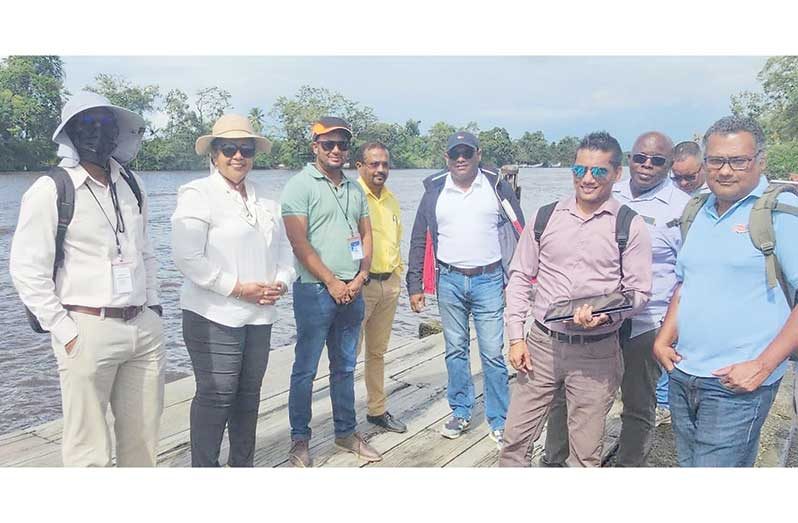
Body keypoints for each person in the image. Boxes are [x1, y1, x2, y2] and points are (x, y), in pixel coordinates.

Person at [9, 92, 164, 467]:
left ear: (118, 133)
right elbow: (26, 268)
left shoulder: (131, 183)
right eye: (86, 125)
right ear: (71, 134)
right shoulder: (51, 189)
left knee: (144, 442)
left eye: (105, 125)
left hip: (141, 327)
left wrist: (155, 309)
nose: (96, 134)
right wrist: (65, 330)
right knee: (87, 450)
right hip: (86, 326)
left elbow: (145, 251)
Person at [499, 131, 652, 467]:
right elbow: (520, 276)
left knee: (584, 455)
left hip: (596, 352)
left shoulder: (629, 224)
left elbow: (639, 291)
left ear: (616, 174)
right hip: (541, 345)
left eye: (598, 171)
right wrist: (515, 338)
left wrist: (607, 315)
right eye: (579, 169)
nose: (587, 178)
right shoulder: (545, 216)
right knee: (515, 441)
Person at [653, 115, 798, 467]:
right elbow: (687, 282)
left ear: (760, 162)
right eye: (716, 160)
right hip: (685, 373)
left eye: (738, 161)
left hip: (738, 384)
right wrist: (663, 339)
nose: (726, 171)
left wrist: (763, 366)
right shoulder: (696, 211)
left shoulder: (780, 214)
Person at [542, 132, 688, 467]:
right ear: (626, 162)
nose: (647, 166)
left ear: (670, 164)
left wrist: (673, 329)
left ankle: (628, 467)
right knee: (566, 397)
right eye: (640, 158)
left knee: (638, 405)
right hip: (586, 320)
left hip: (644, 323)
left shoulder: (682, 209)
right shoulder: (605, 188)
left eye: (657, 161)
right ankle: (553, 461)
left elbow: (687, 275)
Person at [171, 114, 295, 467]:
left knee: (248, 396)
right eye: (229, 148)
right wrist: (238, 288)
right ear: (214, 153)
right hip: (213, 314)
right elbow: (186, 256)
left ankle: (242, 466)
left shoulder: (268, 201)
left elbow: (286, 251)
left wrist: (282, 282)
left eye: (246, 149)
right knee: (216, 395)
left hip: (260, 315)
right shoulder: (198, 194)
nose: (238, 156)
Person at [406, 131, 524, 448]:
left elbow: (520, 231)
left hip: (489, 280)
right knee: (455, 351)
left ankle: (499, 419)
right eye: (455, 153)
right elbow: (419, 238)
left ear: (478, 154)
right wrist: (414, 283)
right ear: (446, 157)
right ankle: (460, 410)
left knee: (492, 354)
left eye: (467, 153)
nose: (461, 158)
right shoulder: (434, 191)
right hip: (450, 280)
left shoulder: (496, 186)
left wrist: (524, 280)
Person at [281, 117, 381, 467]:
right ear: (315, 147)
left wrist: (361, 275)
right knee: (305, 369)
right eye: (328, 144)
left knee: (345, 366)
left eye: (341, 144)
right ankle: (300, 439)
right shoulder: (299, 185)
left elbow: (366, 234)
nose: (336, 150)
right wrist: (331, 281)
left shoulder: (355, 189)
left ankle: (346, 432)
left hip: (352, 290)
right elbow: (298, 241)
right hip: (315, 292)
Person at [354, 142, 407, 433]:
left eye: (385, 164)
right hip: (363, 285)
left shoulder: (391, 200)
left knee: (377, 352)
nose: (380, 170)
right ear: (359, 166)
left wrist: (398, 274)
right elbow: (350, 240)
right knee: (348, 354)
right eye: (373, 164)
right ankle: (343, 418)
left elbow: (395, 240)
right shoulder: (351, 196)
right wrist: (357, 274)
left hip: (390, 284)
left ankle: (377, 410)